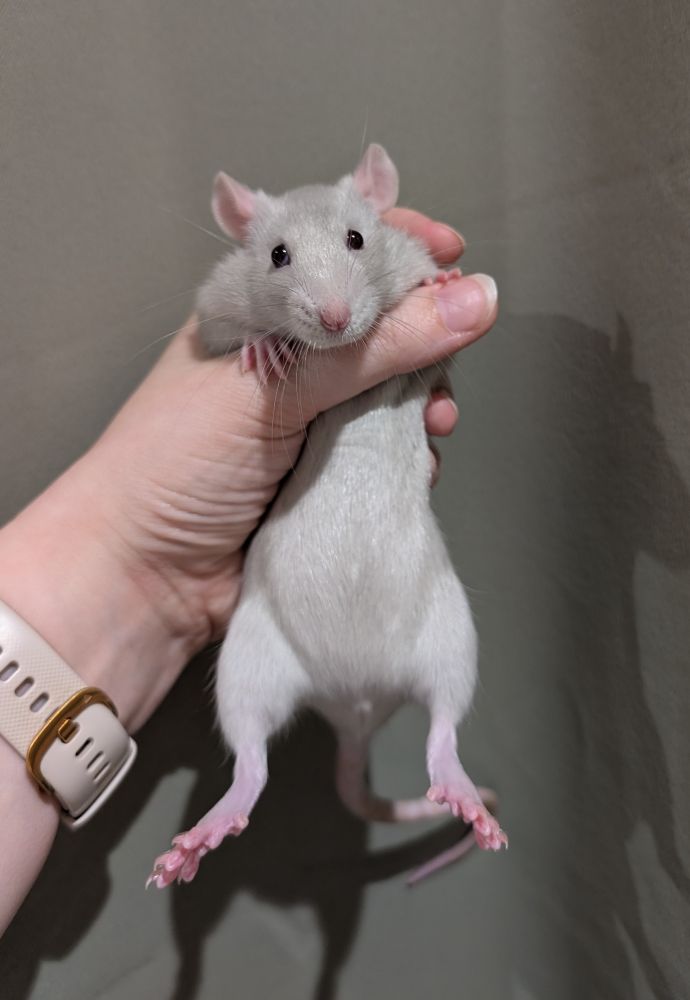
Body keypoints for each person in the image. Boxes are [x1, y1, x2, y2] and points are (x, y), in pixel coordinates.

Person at [0, 207, 497, 934]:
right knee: (261, 636)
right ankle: (248, 779)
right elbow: (216, 311)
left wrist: (430, 289)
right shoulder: (256, 304)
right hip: (284, 617)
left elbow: (416, 265)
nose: (332, 307)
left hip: (397, 596)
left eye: (356, 242)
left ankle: (442, 750)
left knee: (444, 606)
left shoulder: (400, 265)